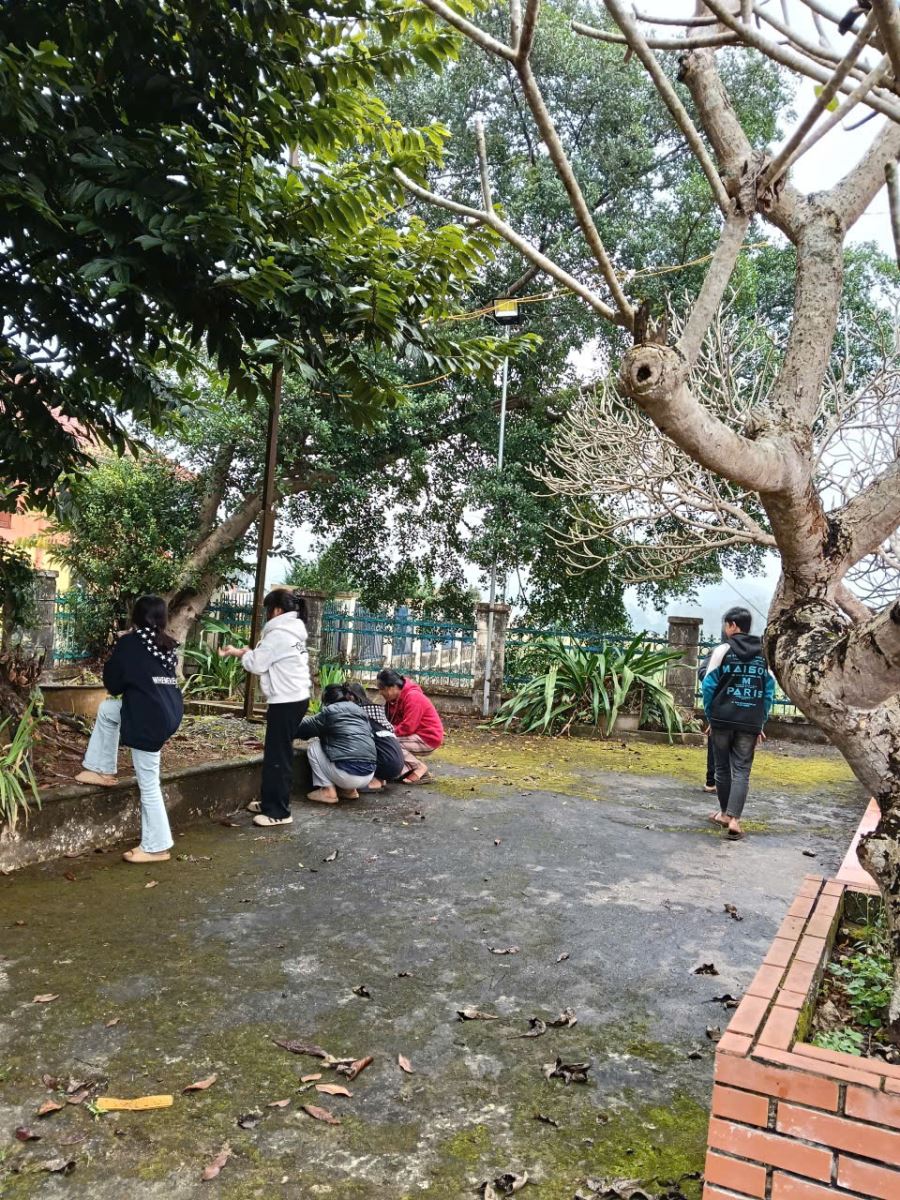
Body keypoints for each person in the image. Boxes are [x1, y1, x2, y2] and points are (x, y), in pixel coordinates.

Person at [75, 595, 183, 864]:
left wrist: (120, 649)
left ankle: (157, 846)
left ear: (135, 616)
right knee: (108, 710)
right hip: (168, 712)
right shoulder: (165, 643)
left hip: (148, 718)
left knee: (149, 782)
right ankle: (101, 769)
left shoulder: (131, 643)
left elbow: (114, 684)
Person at [219, 589, 310, 827]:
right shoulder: (291, 631)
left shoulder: (278, 634)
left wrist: (244, 655)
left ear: (277, 610)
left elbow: (258, 664)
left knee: (278, 756)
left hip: (286, 701)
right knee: (276, 753)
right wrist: (241, 652)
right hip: (294, 698)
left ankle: (279, 811)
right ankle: (271, 802)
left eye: (268, 610)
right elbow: (264, 657)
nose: (266, 614)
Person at [701, 606, 776, 840]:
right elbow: (768, 692)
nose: (725, 629)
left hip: (722, 719)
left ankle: (724, 814)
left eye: (726, 625)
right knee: (742, 770)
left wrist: (711, 716)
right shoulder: (763, 654)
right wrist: (760, 723)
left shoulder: (722, 650)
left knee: (722, 768)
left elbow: (708, 685)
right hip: (749, 721)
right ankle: (735, 820)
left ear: (733, 625)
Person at [296, 684, 377, 803]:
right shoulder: (361, 712)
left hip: (347, 775)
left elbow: (303, 728)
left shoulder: (330, 711)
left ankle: (328, 791)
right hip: (369, 774)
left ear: (326, 699)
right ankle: (350, 791)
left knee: (314, 746)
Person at [375, 669, 443, 783]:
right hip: (415, 735)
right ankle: (411, 772)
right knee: (386, 742)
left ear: (393, 687)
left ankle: (420, 768)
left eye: (382, 689)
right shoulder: (393, 700)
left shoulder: (413, 697)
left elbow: (408, 727)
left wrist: (387, 734)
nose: (380, 693)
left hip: (428, 737)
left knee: (389, 743)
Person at [342, 681, 406, 790]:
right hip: (397, 764)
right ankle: (380, 778)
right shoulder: (374, 710)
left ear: (351, 697)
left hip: (386, 764)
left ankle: (373, 779)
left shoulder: (359, 714)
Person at [697, 650, 716, 794]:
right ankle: (713, 781)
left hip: (721, 708)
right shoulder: (756, 654)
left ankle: (712, 782)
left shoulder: (718, 651)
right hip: (745, 710)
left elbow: (704, 673)